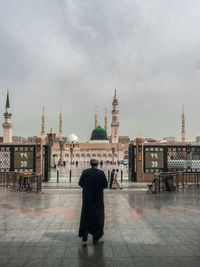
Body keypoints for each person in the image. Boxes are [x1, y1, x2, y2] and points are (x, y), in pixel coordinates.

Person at [79, 158, 108, 245]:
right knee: (98, 215)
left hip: (87, 198)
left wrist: (87, 188)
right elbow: (105, 185)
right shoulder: (101, 173)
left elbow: (80, 183)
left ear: (90, 164)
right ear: (97, 164)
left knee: (86, 214)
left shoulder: (85, 172)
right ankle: (96, 235)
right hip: (98, 198)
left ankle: (85, 233)